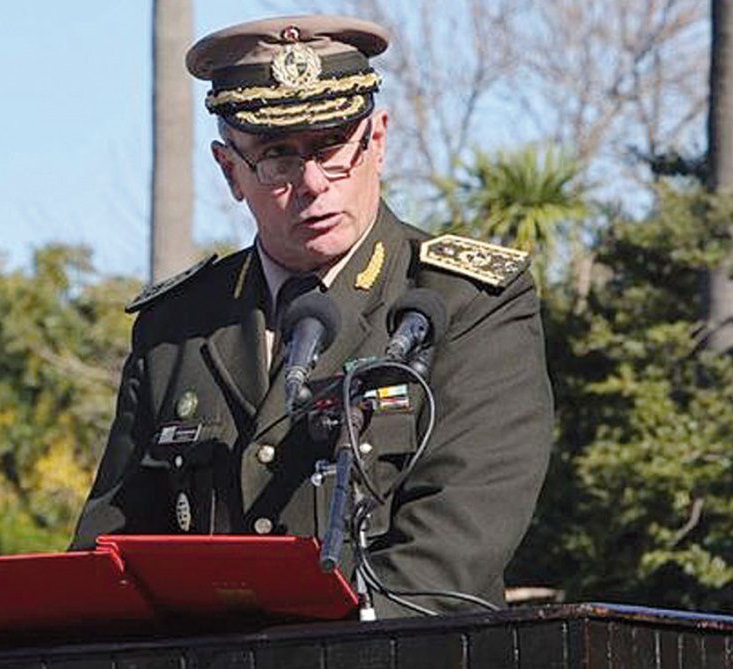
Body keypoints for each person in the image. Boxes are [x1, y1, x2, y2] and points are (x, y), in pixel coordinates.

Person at [70, 15, 553, 618]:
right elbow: (110, 556)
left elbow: (449, 553)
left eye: (332, 148)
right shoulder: (178, 329)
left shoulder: (466, 304)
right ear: (230, 172)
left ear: (376, 140)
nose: (313, 183)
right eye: (278, 158)